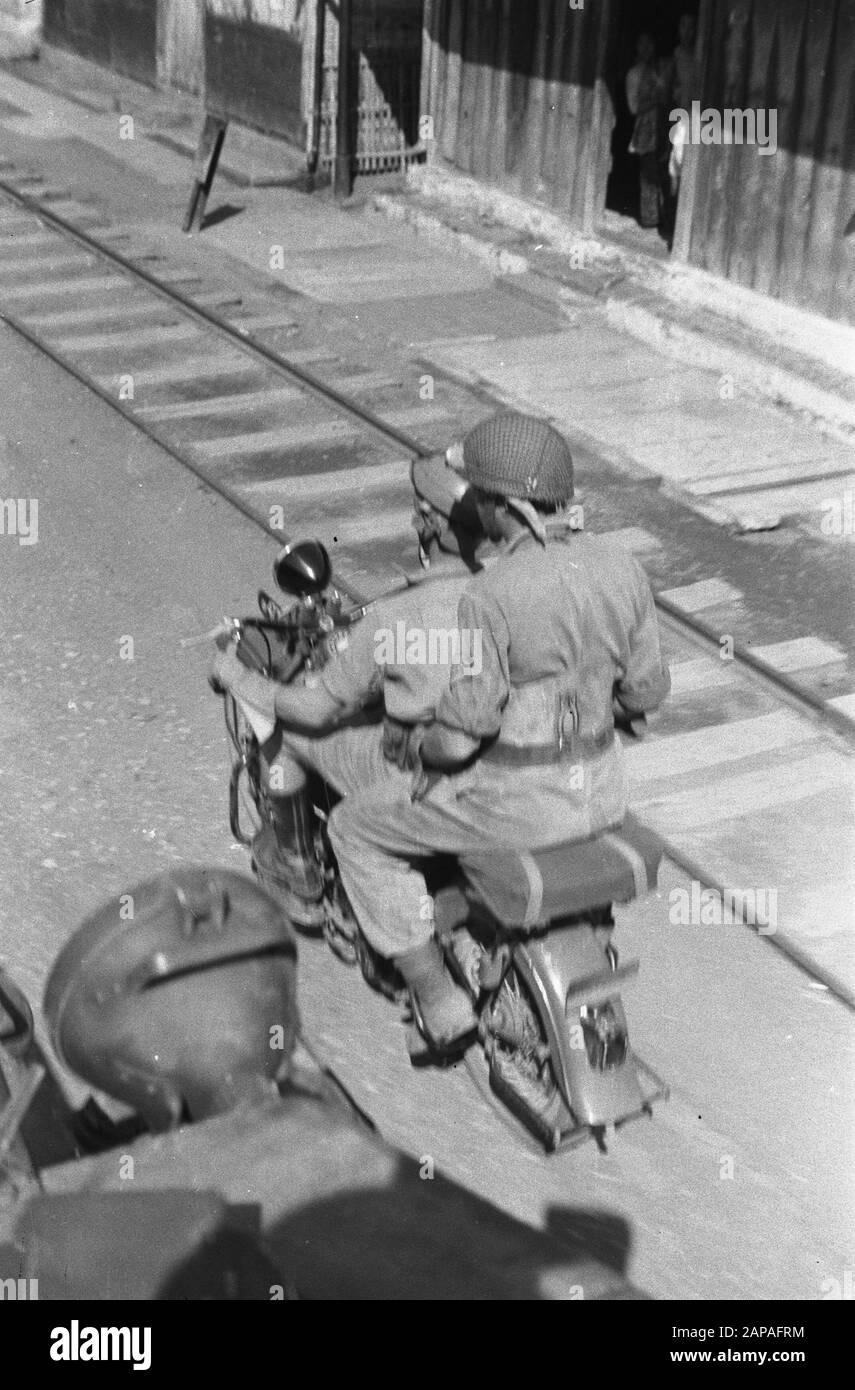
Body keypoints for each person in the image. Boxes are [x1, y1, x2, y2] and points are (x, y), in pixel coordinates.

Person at [327, 411, 671, 1053]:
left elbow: (461, 738)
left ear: (502, 506)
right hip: (601, 796)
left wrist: (420, 743)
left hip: (512, 810)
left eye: (480, 497)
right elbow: (647, 693)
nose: (475, 510)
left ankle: (435, 995)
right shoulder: (623, 569)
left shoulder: (493, 593)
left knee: (355, 827)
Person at [209, 456, 487, 933]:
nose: (414, 516)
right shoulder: (504, 590)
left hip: (422, 772)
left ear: (431, 525)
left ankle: (298, 870)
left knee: (291, 733)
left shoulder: (395, 618)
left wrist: (237, 677)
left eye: (420, 508)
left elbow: (318, 710)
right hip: (497, 769)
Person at [625, 31, 666, 230]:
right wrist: (655, 101)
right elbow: (633, 107)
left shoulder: (658, 71)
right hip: (646, 129)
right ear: (637, 48)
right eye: (644, 45)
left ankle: (663, 218)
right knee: (649, 174)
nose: (648, 49)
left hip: (662, 127)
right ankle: (650, 219)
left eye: (651, 44)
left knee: (664, 173)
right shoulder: (633, 74)